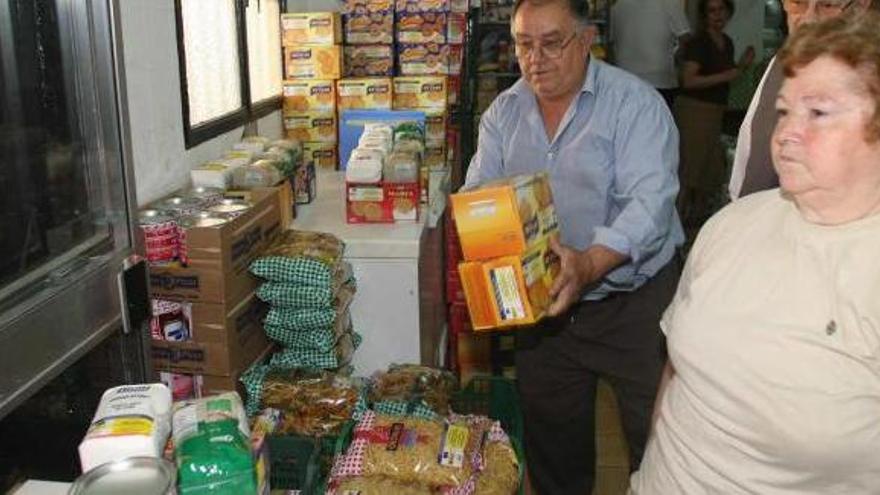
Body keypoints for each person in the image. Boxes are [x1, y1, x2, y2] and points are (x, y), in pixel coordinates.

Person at [630, 12, 880, 493]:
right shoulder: (730, 226)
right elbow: (679, 372)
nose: (785, 133)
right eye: (784, 111)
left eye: (819, 113)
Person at [463, 0, 684, 493]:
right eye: (523, 44)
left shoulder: (635, 104)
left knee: (659, 443)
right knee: (555, 448)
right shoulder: (504, 113)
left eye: (552, 42)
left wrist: (589, 264)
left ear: (586, 41)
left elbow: (648, 206)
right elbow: (479, 195)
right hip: (546, 314)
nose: (535, 58)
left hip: (635, 307)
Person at [728, 0, 871, 199]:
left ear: (860, 6)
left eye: (827, 5)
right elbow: (752, 157)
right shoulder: (782, 64)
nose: (808, 19)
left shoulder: (871, 75)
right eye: (798, 3)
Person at [675, 0, 754, 226]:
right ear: (704, 16)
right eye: (712, 11)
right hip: (694, 112)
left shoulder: (726, 42)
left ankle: (696, 229)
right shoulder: (699, 42)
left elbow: (727, 76)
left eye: (722, 10)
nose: (718, 15)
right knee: (690, 173)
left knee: (708, 174)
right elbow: (688, 81)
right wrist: (733, 73)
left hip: (714, 112)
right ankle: (676, 231)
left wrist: (742, 66)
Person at [611, 0, 691, 109]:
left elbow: (612, 42)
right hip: (659, 82)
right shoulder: (670, 3)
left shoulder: (618, 6)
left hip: (624, 81)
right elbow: (686, 40)